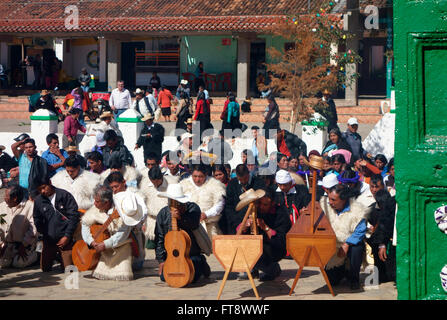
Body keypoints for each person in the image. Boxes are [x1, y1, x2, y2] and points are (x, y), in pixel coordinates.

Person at [155, 183, 211, 283]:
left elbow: (193, 224)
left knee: (191, 277)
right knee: (165, 278)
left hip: (191, 253)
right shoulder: (163, 214)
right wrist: (161, 261)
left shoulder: (193, 209)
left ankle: (201, 262)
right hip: (173, 256)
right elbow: (159, 238)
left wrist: (180, 218)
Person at [318, 184, 368, 290]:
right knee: (333, 281)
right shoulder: (324, 206)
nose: (330, 202)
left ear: (343, 200)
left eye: (333, 200)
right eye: (329, 199)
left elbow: (360, 231)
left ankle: (354, 278)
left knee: (357, 248)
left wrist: (347, 244)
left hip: (349, 244)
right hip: (332, 245)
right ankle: (342, 271)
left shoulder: (357, 210)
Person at [81, 185, 135, 280]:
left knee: (122, 274)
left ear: (106, 202)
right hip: (102, 247)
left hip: (122, 245)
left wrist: (105, 244)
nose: (94, 203)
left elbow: (122, 233)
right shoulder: (95, 208)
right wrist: (90, 241)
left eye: (97, 201)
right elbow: (85, 224)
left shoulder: (122, 209)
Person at [237, 189, 291, 281]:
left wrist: (265, 227)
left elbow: (280, 240)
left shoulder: (281, 213)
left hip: (274, 248)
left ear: (272, 203)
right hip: (258, 244)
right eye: (260, 203)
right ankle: (253, 269)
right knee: (243, 246)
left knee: (258, 253)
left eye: (265, 205)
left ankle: (273, 269)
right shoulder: (254, 209)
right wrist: (245, 225)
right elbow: (238, 230)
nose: (261, 207)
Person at [33, 177, 80, 272]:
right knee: (45, 269)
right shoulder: (38, 200)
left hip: (65, 239)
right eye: (39, 190)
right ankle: (57, 257)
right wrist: (44, 234)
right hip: (49, 239)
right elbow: (37, 218)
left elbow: (74, 217)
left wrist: (67, 236)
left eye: (44, 187)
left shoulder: (64, 195)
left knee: (69, 269)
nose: (42, 191)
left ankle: (64, 257)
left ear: (50, 183)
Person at [104, 172, 147, 270]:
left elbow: (142, 214)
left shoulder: (135, 195)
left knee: (136, 264)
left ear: (124, 182)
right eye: (112, 187)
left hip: (134, 231)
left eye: (116, 186)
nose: (115, 190)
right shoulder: (112, 195)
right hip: (116, 232)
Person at [180, 164, 226, 238]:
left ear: (206, 175)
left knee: (211, 247)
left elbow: (220, 204)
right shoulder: (184, 185)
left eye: (200, 176)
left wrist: (206, 214)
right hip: (188, 225)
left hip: (209, 225)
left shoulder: (215, 185)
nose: (197, 179)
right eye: (195, 176)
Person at [0, 184, 38, 268]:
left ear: (15, 199)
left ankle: (36, 256)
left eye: (6, 197)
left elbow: (33, 229)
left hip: (24, 244)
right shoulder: (2, 206)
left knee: (19, 264)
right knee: (3, 264)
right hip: (7, 244)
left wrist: (24, 245)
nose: (4, 198)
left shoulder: (30, 206)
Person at [221, 164, 266, 235]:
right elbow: (229, 207)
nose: (243, 181)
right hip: (237, 222)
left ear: (248, 174)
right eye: (240, 179)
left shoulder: (259, 183)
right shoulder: (232, 184)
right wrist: (239, 224)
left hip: (256, 221)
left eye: (245, 178)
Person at [366, 189, 396, 283]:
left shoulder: (393, 205)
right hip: (380, 235)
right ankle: (380, 274)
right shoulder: (372, 210)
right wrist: (381, 243)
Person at [140, 166, 171, 248]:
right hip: (151, 221)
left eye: (158, 181)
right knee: (151, 247)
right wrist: (143, 223)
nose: (156, 184)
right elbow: (142, 205)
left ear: (162, 177)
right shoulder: (144, 185)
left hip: (166, 221)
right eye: (153, 182)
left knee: (167, 245)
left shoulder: (170, 184)